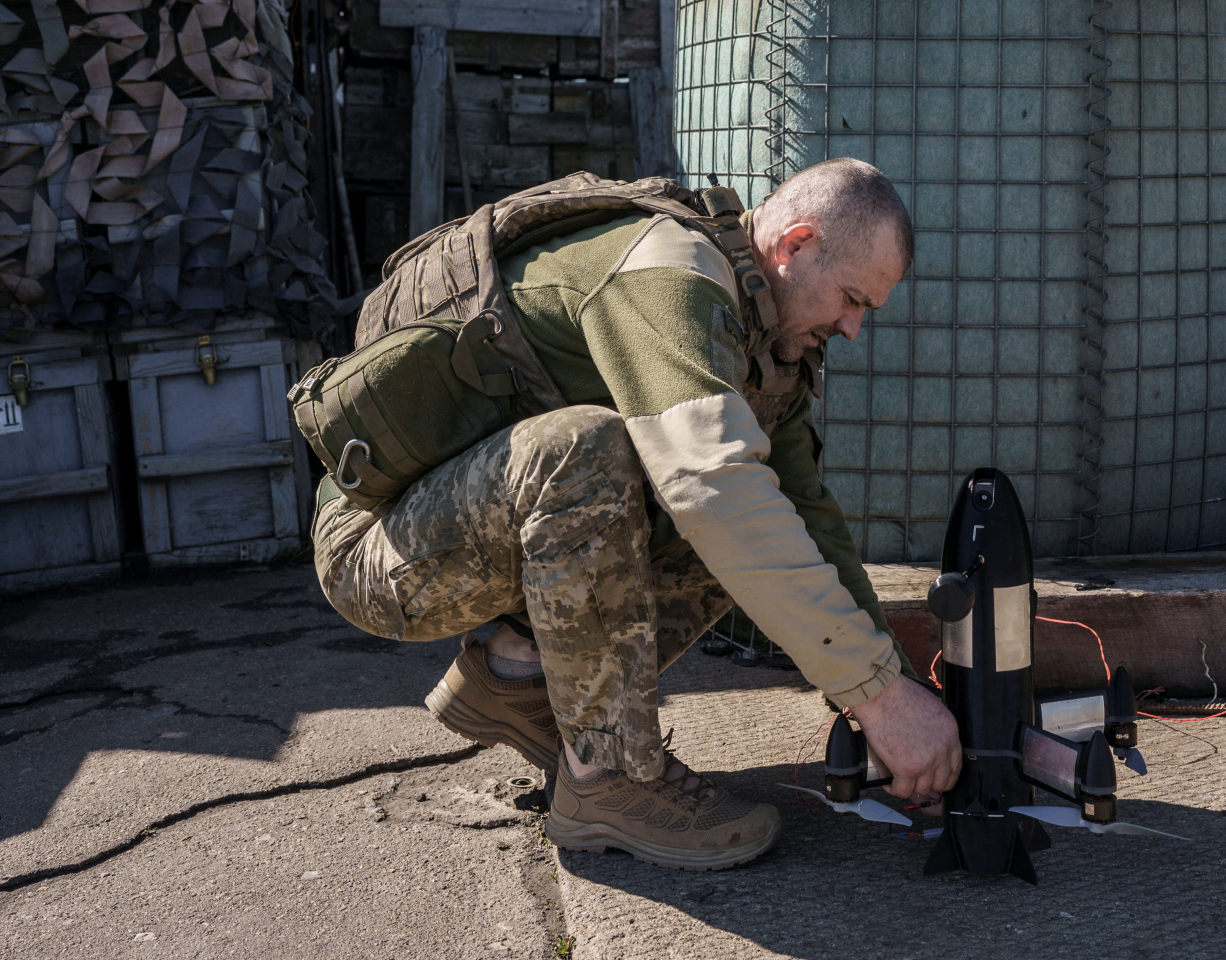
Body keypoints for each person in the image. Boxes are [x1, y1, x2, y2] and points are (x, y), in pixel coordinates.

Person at [310, 159, 961, 870]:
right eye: (850, 299)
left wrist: (897, 694)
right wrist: (878, 700)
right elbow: (714, 489)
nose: (853, 327)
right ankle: (605, 780)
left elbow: (809, 526)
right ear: (795, 245)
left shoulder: (762, 341)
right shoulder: (669, 272)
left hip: (469, 527)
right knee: (612, 458)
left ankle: (516, 675)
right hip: (381, 545)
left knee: (757, 515)